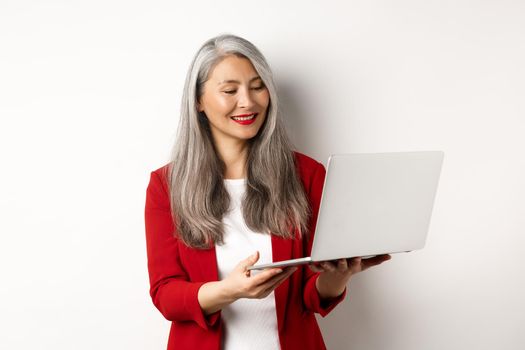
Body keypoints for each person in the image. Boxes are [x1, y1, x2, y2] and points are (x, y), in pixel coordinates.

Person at [144, 34, 391, 350]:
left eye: (258, 86)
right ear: (199, 101)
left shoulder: (307, 175)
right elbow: (165, 294)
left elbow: (312, 294)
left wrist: (338, 276)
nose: (247, 101)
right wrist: (230, 290)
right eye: (230, 90)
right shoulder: (166, 186)